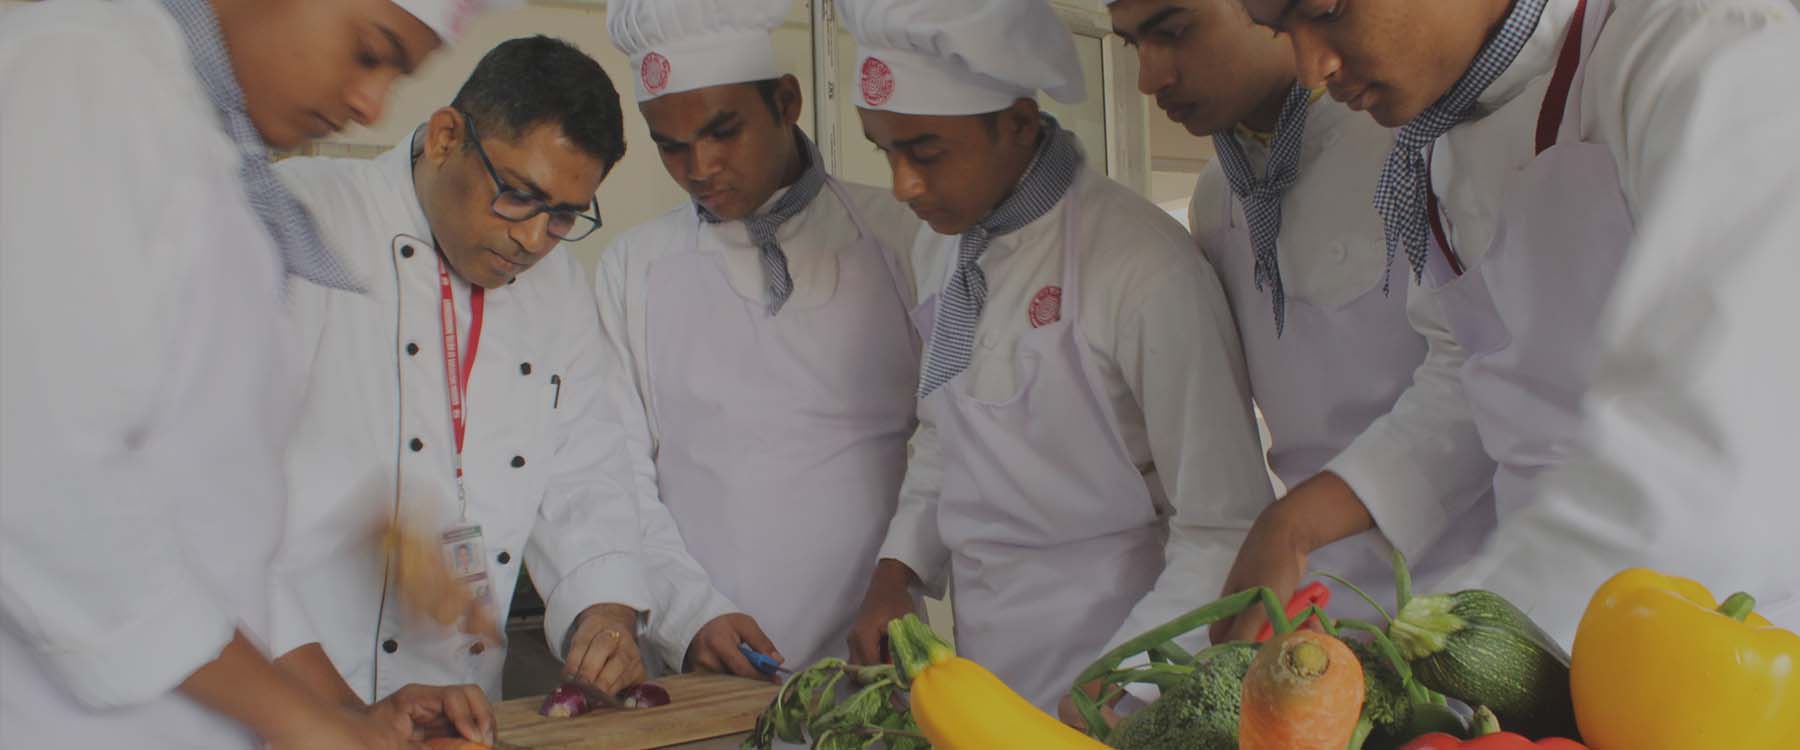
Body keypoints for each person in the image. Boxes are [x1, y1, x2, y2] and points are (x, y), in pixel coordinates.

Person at [1217, 0, 1800, 643]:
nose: (1311, 70)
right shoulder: (1444, 133)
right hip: (1559, 621)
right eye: (1281, 31)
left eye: (1326, 10)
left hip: (1727, 641)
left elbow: (1696, 463)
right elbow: (1470, 375)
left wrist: (1433, 654)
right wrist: (1296, 523)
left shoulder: (1711, 50)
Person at [0, 0, 491, 747]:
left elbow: (212, 489)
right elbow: (37, 471)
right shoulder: (76, 74)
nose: (371, 105)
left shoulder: (210, 146)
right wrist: (297, 722)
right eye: (370, 52)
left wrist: (345, 710)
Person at [837, 0, 1275, 712]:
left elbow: (1225, 526)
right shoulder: (943, 245)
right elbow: (949, 428)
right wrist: (899, 570)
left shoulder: (1140, 265)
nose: (903, 186)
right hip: (984, 664)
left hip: (1121, 666)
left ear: (1016, 124)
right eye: (884, 149)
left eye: (925, 151)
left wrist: (1121, 685)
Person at [272, 36, 668, 736]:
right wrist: (336, 716)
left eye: (565, 216)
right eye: (520, 195)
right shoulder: (308, 221)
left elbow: (585, 466)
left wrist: (604, 610)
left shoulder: (557, 286)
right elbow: (208, 501)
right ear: (448, 137)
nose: (535, 240)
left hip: (458, 707)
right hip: (293, 697)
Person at [1104, 0, 1495, 626]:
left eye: (1174, 32)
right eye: (1131, 46)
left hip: (1478, 600)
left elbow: (1485, 383)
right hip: (1314, 606)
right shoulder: (1217, 198)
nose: (1150, 78)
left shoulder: (1412, 134)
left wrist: (1296, 524)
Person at [598, 0, 925, 678]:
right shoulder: (633, 267)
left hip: (871, 661)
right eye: (671, 145)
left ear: (787, 100)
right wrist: (691, 615)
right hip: (706, 669)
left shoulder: (902, 237)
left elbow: (954, 439)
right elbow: (615, 470)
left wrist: (900, 577)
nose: (700, 167)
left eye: (723, 131)